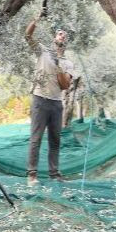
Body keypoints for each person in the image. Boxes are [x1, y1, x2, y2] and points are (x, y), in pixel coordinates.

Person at [24, 10, 76, 185]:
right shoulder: (42, 52)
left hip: (56, 104)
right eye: (59, 33)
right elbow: (28, 35)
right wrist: (36, 18)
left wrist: (59, 65)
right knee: (36, 138)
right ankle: (32, 175)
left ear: (66, 42)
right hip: (40, 100)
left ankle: (54, 174)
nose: (62, 36)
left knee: (55, 140)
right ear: (54, 37)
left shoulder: (68, 63)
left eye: (64, 35)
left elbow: (65, 85)